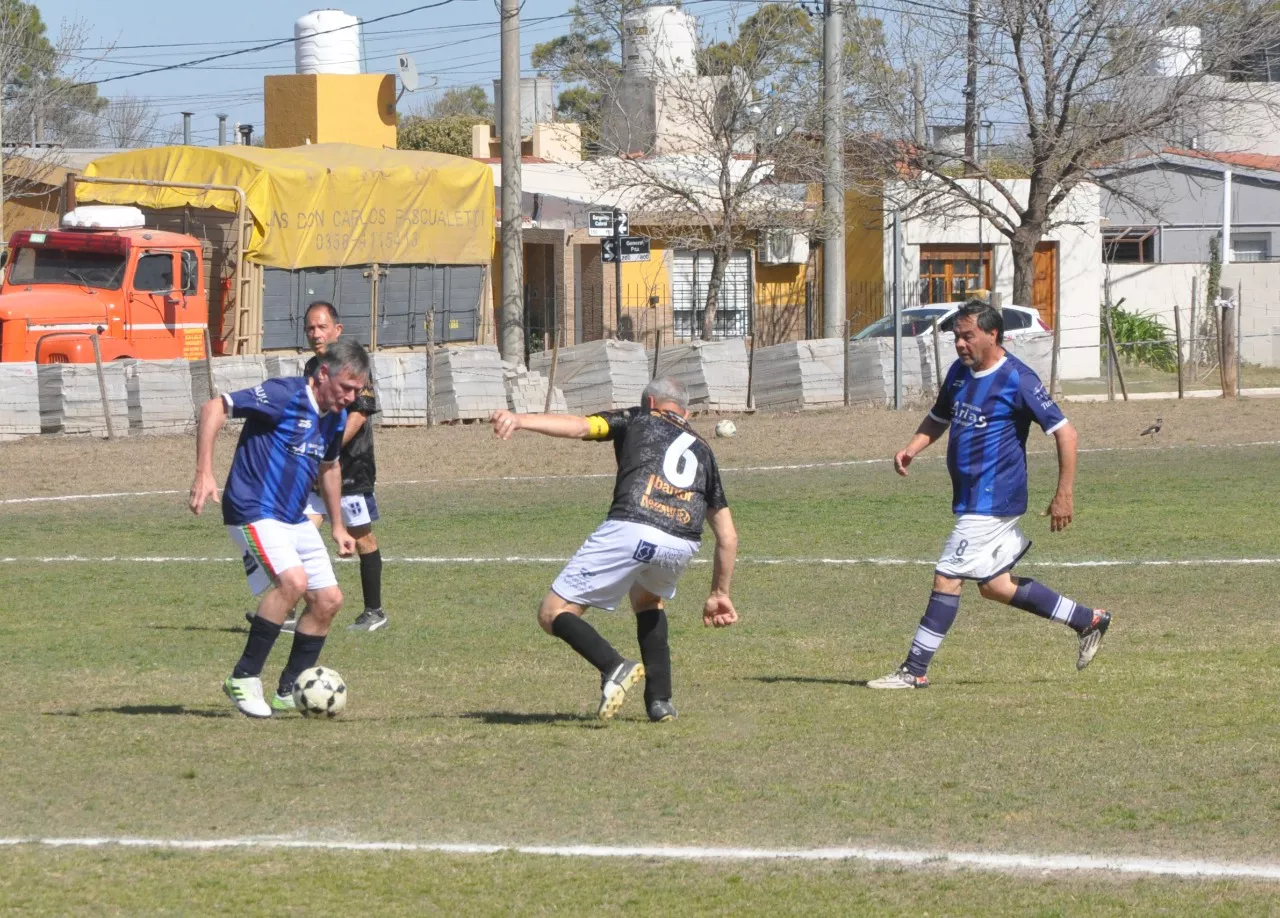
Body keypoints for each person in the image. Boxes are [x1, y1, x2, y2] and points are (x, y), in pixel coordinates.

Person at [868, 300, 1111, 690]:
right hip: (972, 498)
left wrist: (1064, 494)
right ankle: (1088, 620)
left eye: (968, 336)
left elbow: (1066, 433)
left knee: (948, 577)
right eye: (956, 337)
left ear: (992, 334)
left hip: (993, 499)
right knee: (995, 586)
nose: (960, 344)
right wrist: (912, 447)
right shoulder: (959, 373)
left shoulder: (1018, 378)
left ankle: (914, 671)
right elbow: (939, 416)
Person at [490, 377, 740, 722]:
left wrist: (520, 419)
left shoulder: (638, 416)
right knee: (648, 600)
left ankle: (613, 666)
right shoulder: (704, 449)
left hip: (633, 526)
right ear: (686, 412)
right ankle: (660, 701)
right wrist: (719, 593)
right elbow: (728, 536)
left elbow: (581, 426)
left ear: (650, 403)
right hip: (680, 542)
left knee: (551, 613)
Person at [191, 338, 371, 717]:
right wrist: (204, 471)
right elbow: (214, 407)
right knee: (293, 582)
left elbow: (330, 467)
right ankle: (243, 677)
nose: (351, 397)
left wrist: (338, 526)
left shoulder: (335, 416)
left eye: (358, 391)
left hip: (292, 516)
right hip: (253, 508)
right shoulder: (283, 394)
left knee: (329, 600)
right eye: (346, 388)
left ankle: (290, 689)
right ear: (324, 374)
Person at [301, 302, 388, 632]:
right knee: (301, 533)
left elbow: (360, 414)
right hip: (318, 470)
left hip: (351, 469)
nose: (316, 334)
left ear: (337, 329)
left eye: (322, 327)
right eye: (310, 328)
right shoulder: (311, 367)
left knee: (362, 537)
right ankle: (293, 608)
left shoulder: (353, 363)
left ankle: (374, 611)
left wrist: (329, 449)